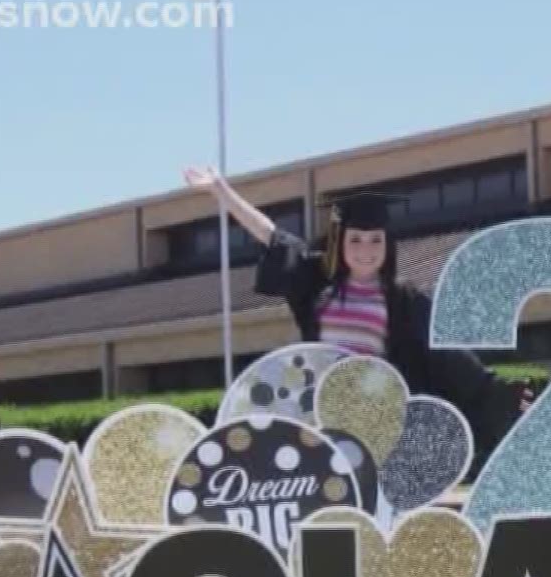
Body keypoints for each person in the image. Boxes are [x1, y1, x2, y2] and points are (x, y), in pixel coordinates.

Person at [182, 168, 528, 458]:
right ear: (341, 242)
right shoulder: (318, 283)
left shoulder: (403, 298)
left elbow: (449, 358)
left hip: (376, 418)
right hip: (318, 415)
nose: (366, 250)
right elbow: (271, 236)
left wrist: (499, 395)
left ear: (387, 244)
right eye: (356, 240)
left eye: (375, 239)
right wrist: (221, 191)